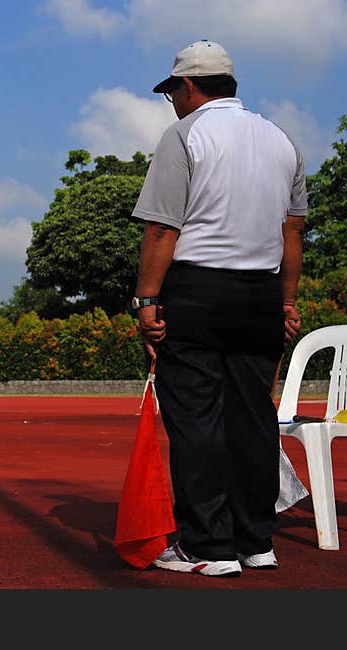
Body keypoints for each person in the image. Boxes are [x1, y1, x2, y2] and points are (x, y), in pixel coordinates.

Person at [131, 40, 307, 577]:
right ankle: (256, 540)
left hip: (197, 291)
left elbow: (163, 227)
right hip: (260, 293)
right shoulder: (282, 140)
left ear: (187, 86)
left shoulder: (184, 135)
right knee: (252, 418)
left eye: (173, 94)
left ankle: (207, 544)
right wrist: (287, 302)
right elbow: (293, 230)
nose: (174, 104)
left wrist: (147, 300)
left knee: (197, 419)